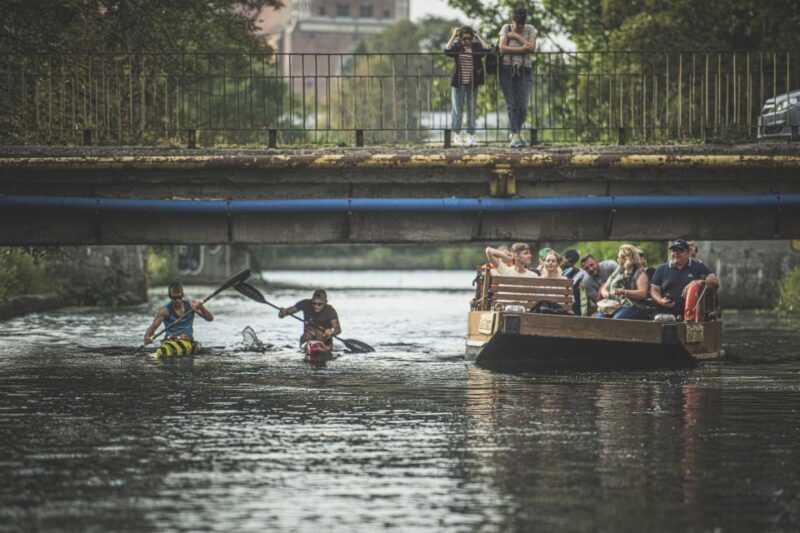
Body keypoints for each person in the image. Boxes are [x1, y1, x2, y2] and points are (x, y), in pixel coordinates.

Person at [444, 26, 491, 147]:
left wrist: (478, 36)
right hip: (458, 83)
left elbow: (487, 50)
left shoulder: (475, 47)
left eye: (469, 38)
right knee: (457, 110)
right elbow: (446, 51)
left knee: (471, 109)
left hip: (472, 83)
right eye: (464, 39)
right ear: (460, 38)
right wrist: (454, 36)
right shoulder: (457, 46)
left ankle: (471, 135)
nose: (467, 41)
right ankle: (457, 135)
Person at [650, 239, 719, 318]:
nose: (676, 253)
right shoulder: (661, 269)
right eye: (673, 251)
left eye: (680, 251)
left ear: (688, 253)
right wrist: (660, 300)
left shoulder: (698, 266)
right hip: (666, 313)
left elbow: (715, 280)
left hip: (692, 314)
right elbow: (654, 289)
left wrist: (696, 282)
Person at [499, 6, 537, 148]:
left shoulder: (530, 29)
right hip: (506, 69)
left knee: (523, 105)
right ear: (512, 20)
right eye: (516, 25)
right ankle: (516, 134)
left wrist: (515, 36)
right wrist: (522, 48)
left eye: (521, 26)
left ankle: (516, 132)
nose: (518, 27)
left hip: (525, 69)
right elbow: (502, 48)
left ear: (524, 22)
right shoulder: (506, 27)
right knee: (511, 104)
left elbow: (532, 48)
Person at [143, 282, 213, 345]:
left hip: (187, 341)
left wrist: (201, 307)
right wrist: (147, 336)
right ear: (170, 296)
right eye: (174, 297)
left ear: (182, 295)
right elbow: (153, 327)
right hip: (170, 341)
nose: (177, 300)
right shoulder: (164, 311)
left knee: (184, 337)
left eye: (179, 297)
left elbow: (210, 318)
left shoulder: (192, 306)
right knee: (173, 339)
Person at [595, 244, 651, 320]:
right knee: (599, 318)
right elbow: (605, 287)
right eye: (618, 257)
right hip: (614, 306)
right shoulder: (618, 271)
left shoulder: (640, 273)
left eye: (620, 257)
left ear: (627, 258)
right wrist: (605, 293)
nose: (618, 259)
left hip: (634, 306)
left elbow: (642, 294)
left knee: (617, 319)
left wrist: (624, 292)